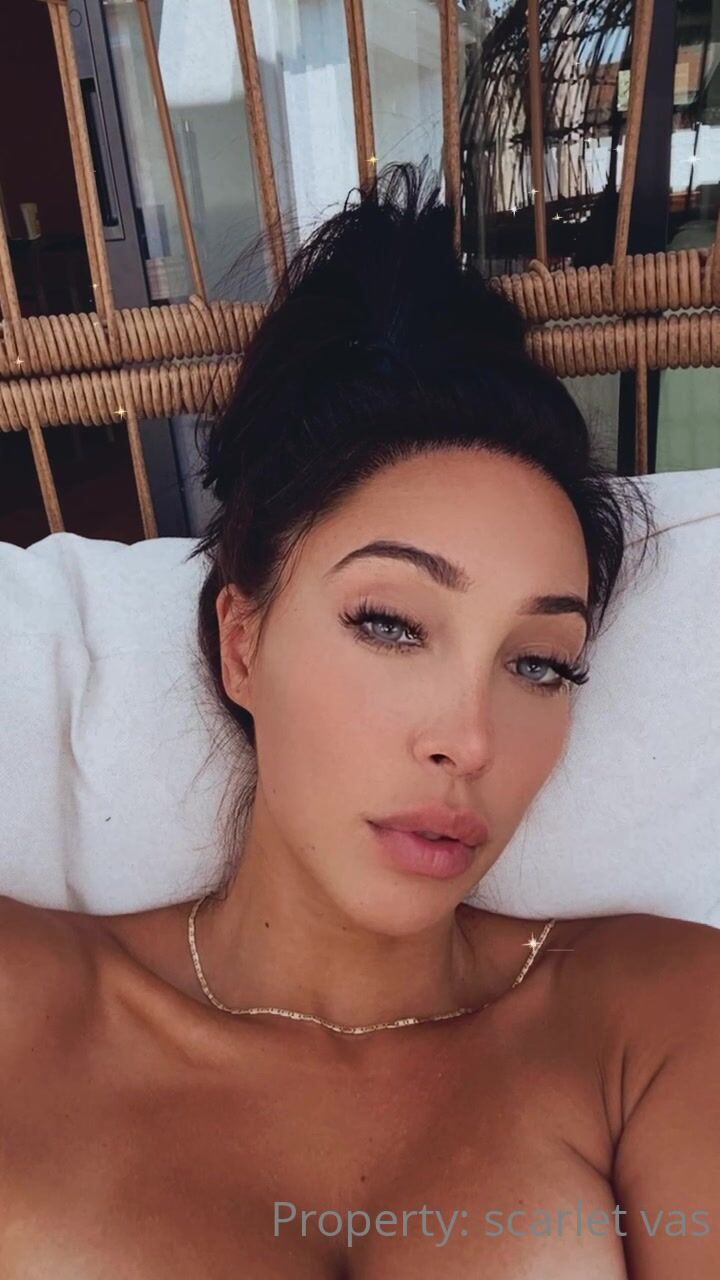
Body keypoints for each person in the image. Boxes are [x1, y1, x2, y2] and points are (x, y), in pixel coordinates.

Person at [1, 160, 718, 1280]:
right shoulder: (25, 1005)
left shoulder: (653, 1015)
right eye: (390, 623)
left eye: (539, 663)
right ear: (244, 641)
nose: (470, 741)